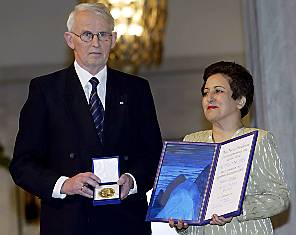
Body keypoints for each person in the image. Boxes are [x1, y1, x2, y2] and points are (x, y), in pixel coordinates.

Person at [9, 3, 162, 235]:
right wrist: (64, 184)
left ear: (113, 39)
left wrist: (132, 180)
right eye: (87, 35)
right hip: (68, 222)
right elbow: (23, 164)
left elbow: (154, 155)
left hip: (127, 222)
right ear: (70, 40)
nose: (96, 43)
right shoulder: (46, 90)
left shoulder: (136, 89)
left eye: (103, 35)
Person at [169, 61, 289, 235]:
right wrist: (182, 222)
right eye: (205, 92)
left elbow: (280, 198)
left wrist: (238, 209)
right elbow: (186, 201)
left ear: (240, 101)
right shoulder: (192, 141)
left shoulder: (258, 140)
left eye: (218, 91)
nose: (209, 98)